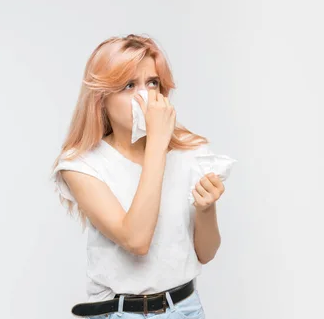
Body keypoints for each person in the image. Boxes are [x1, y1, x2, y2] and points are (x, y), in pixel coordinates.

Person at [50, 34, 225, 319]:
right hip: (120, 313)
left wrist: (206, 208)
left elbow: (206, 253)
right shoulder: (81, 165)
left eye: (152, 83)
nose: (144, 96)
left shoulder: (191, 152)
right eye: (129, 85)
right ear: (102, 97)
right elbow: (137, 240)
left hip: (186, 308)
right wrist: (157, 142)